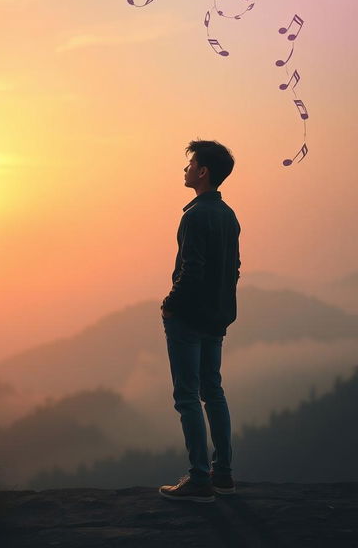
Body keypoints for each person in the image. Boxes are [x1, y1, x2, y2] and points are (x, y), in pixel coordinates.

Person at [158, 139, 241, 503]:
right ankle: (223, 474)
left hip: (189, 318)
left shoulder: (194, 215)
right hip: (216, 317)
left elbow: (192, 270)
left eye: (191, 164)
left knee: (188, 396)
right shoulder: (228, 215)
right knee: (213, 391)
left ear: (203, 172)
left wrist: (170, 305)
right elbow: (233, 269)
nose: (186, 169)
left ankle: (199, 479)